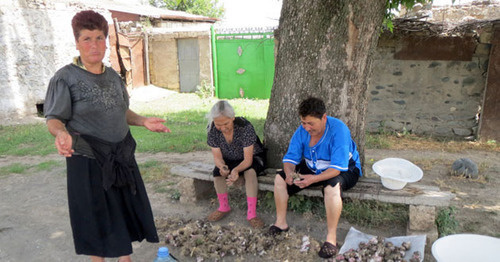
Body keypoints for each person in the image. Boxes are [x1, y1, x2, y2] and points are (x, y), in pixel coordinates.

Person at [43, 10, 170, 262]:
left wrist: (143, 121)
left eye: (100, 38)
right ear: (77, 42)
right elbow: (54, 118)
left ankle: (125, 259)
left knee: (122, 214)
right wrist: (60, 133)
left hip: (121, 157)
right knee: (95, 220)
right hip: (88, 161)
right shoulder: (65, 78)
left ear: (106, 40)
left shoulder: (113, 76)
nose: (94, 45)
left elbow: (122, 112)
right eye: (87, 39)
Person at [268, 97, 362, 259]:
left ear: (324, 118)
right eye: (304, 122)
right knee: (280, 178)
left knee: (331, 187)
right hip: (314, 166)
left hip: (344, 169)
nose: (306, 127)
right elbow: (290, 159)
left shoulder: (339, 130)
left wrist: (312, 179)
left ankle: (331, 239)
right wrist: (290, 173)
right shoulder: (301, 131)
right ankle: (281, 223)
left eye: (311, 123)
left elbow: (336, 168)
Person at [206, 100, 266, 229]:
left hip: (252, 158)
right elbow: (217, 157)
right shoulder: (212, 129)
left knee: (250, 172)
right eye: (218, 124)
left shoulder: (245, 127)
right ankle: (223, 207)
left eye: (226, 123)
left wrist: (236, 170)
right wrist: (223, 167)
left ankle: (251, 214)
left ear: (232, 117)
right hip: (230, 158)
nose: (222, 128)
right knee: (217, 172)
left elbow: (248, 160)